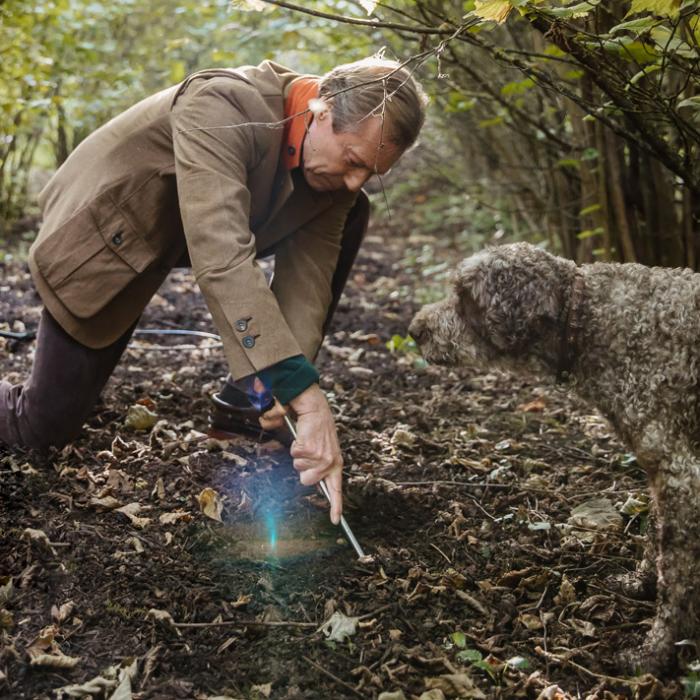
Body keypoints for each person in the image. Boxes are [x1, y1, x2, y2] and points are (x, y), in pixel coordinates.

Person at [0, 57, 427, 524]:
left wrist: (282, 393)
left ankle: (251, 403)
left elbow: (307, 285)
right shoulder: (224, 103)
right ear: (321, 112)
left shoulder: (332, 169)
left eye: (371, 172)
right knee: (38, 429)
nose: (355, 180)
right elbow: (221, 255)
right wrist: (308, 398)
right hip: (105, 233)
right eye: (353, 161)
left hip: (179, 230)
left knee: (353, 212)